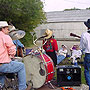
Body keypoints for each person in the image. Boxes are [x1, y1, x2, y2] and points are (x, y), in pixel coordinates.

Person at [0, 21, 30, 90]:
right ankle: (22, 88)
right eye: (7, 29)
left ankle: (1, 85)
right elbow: (12, 51)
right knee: (21, 66)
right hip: (2, 65)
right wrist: (10, 56)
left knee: (2, 73)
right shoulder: (5, 37)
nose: (8, 31)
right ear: (3, 29)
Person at [80, 19, 90, 90]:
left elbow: (82, 46)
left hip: (88, 54)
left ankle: (89, 84)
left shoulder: (84, 34)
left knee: (87, 70)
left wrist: (83, 50)